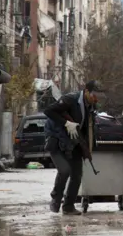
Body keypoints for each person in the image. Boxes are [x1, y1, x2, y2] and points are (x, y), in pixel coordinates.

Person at [44, 80, 104, 215]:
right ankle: (56, 198)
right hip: (57, 139)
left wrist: (87, 148)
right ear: (87, 91)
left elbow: (86, 129)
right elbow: (49, 111)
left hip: (74, 141)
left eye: (99, 96)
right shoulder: (70, 99)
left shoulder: (91, 106)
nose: (97, 98)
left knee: (77, 174)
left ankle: (68, 206)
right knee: (64, 170)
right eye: (95, 95)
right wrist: (65, 123)